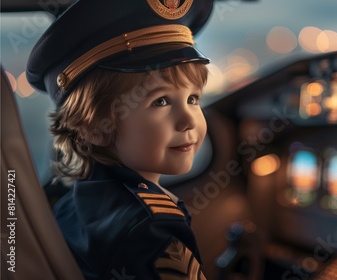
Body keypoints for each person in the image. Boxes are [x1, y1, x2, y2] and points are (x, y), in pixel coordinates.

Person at [26, 0, 213, 279]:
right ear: (93, 127)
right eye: (161, 101)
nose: (188, 120)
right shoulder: (152, 229)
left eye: (192, 99)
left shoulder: (72, 200)